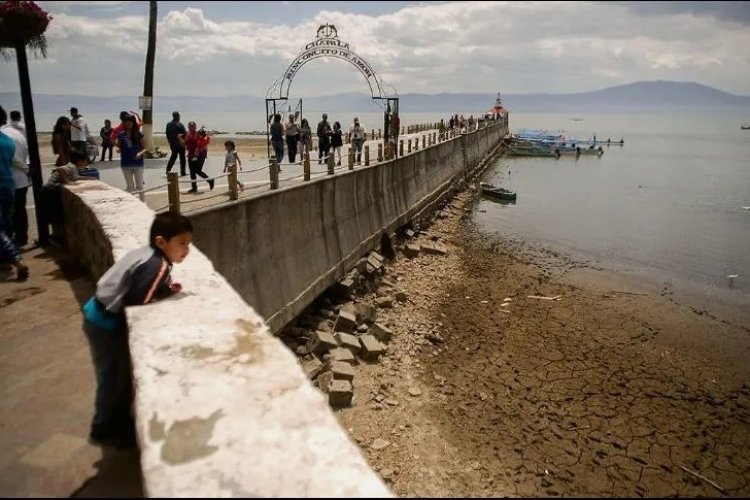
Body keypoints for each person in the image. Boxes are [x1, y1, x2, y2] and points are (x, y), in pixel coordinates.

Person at [82, 212, 193, 449]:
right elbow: (137, 302)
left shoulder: (147, 254)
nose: (187, 250)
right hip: (105, 323)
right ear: (161, 242)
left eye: (189, 243)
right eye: (182, 243)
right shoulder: (158, 265)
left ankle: (109, 424)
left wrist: (163, 289)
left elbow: (141, 284)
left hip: (96, 311)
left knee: (112, 377)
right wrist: (164, 291)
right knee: (114, 379)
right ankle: (106, 428)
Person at [0, 106, 29, 281]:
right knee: (7, 222)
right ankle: (6, 259)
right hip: (9, 185)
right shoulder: (9, 140)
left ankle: (15, 259)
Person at [115, 114, 146, 201]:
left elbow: (145, 148)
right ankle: (132, 203)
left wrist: (140, 154)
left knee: (140, 185)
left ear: (133, 122)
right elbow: (117, 146)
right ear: (123, 123)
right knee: (130, 186)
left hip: (138, 164)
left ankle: (143, 203)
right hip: (126, 163)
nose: (128, 123)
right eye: (126, 121)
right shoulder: (121, 135)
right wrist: (117, 149)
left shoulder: (139, 134)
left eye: (130, 121)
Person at [184, 122, 213, 193]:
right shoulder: (188, 134)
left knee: (197, 170)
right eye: (189, 126)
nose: (191, 128)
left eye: (192, 126)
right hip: (190, 155)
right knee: (192, 172)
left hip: (199, 155)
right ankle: (194, 187)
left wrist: (203, 149)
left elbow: (205, 141)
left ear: (195, 127)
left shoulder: (198, 134)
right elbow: (185, 143)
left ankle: (210, 180)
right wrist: (179, 138)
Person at [165, 111, 187, 176]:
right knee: (182, 158)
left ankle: (168, 170)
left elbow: (167, 134)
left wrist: (169, 141)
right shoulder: (180, 124)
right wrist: (184, 142)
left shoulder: (168, 124)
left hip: (173, 144)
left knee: (173, 156)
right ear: (177, 116)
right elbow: (184, 134)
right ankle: (183, 172)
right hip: (180, 144)